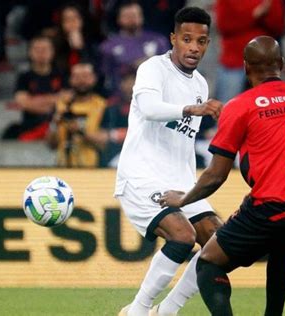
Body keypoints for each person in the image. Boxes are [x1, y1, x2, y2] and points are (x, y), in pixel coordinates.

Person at [160, 36, 285, 316]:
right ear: (281, 64)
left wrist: (182, 200)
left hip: (273, 208)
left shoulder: (241, 106)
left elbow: (215, 176)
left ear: (245, 67)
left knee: (208, 263)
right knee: (283, 244)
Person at [115, 7, 223, 316]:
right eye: (187, 39)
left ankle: (167, 311)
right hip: (142, 175)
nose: (193, 47)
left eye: (201, 41)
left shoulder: (200, 84)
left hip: (181, 179)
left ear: (207, 43)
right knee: (183, 236)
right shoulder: (153, 68)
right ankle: (138, 310)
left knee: (218, 244)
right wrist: (190, 109)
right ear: (173, 38)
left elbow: (184, 140)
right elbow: (148, 107)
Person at [215, 0, 285, 103]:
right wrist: (254, 15)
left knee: (266, 111)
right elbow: (223, 25)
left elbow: (279, 26)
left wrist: (260, 14)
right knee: (226, 110)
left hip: (264, 63)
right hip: (234, 61)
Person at [2, 36, 69, 141]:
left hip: (57, 124)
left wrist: (35, 100)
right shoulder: (24, 77)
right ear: (30, 52)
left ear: (52, 52)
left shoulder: (62, 75)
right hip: (31, 125)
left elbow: (66, 99)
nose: (41, 53)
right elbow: (23, 103)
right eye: (37, 49)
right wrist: (54, 100)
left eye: (45, 49)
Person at [100, 1, 169, 96]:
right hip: (120, 96)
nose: (132, 19)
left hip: (155, 93)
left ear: (142, 17)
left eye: (135, 15)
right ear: (119, 19)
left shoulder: (159, 40)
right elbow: (106, 76)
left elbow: (168, 68)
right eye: (127, 16)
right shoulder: (108, 46)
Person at [47, 62, 106, 168]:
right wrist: (55, 124)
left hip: (93, 168)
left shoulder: (102, 105)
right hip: (63, 166)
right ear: (70, 79)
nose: (81, 81)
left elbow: (105, 142)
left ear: (94, 78)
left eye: (85, 76)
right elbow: (51, 145)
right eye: (77, 77)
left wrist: (79, 131)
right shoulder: (61, 105)